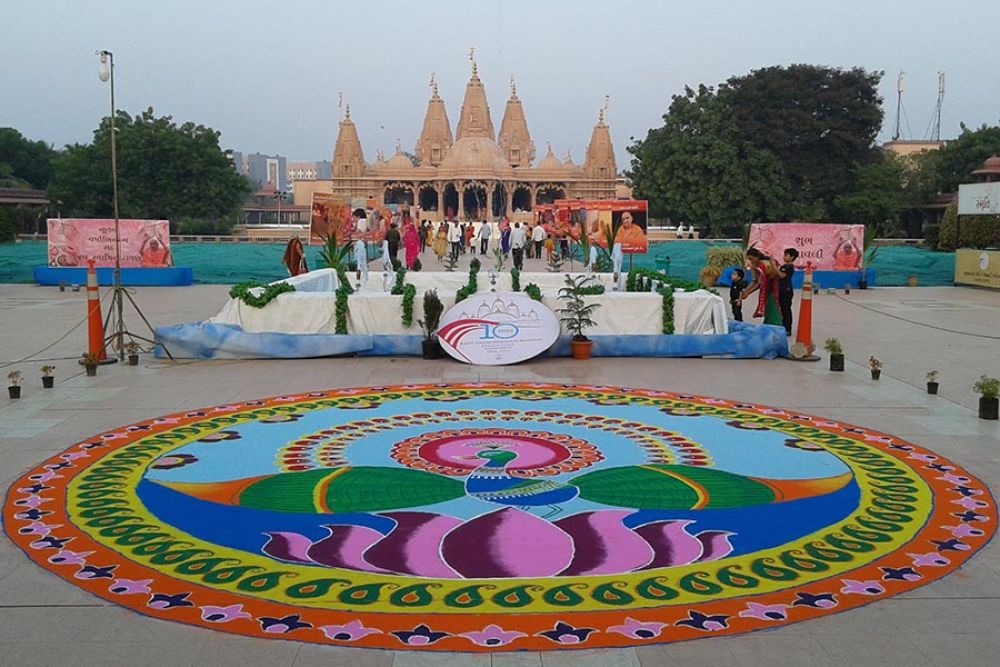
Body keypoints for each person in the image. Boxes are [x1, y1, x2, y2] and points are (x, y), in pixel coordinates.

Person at [742, 248, 782, 326]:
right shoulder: (754, 265)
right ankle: (768, 324)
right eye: (748, 259)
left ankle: (776, 326)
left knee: (772, 306)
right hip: (766, 286)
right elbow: (754, 280)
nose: (750, 260)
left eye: (751, 258)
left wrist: (748, 292)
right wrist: (746, 291)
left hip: (773, 287)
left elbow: (760, 283)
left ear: (757, 257)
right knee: (768, 306)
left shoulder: (763, 265)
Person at [778, 248, 799, 335]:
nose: (784, 257)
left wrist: (774, 267)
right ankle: (782, 326)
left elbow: (781, 275)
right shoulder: (783, 266)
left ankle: (788, 328)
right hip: (781, 289)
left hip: (786, 290)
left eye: (786, 255)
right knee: (782, 309)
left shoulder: (789, 267)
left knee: (786, 309)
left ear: (792, 257)